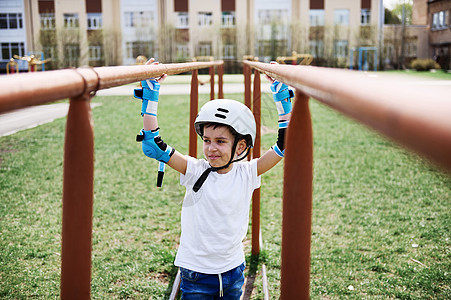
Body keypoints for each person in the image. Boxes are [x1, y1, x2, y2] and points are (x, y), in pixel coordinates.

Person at [133, 59, 293, 299]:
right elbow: (153, 147)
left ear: (240, 146)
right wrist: (151, 96)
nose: (210, 149)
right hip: (196, 274)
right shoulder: (195, 170)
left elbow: (284, 145)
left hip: (233, 271)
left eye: (220, 141)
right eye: (206, 140)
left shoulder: (247, 173)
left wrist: (281, 97)